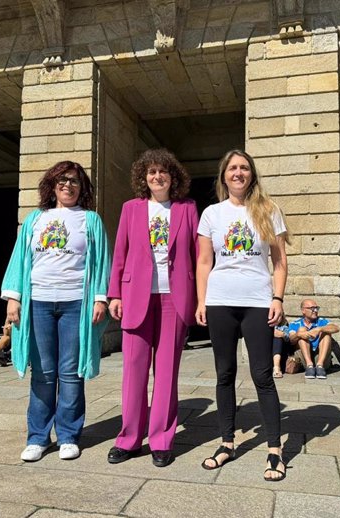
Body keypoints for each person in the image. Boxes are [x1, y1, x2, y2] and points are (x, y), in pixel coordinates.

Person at [1, 161, 111, 463]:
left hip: (76, 302)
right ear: (52, 185)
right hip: (39, 303)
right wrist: (14, 298)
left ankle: (68, 436)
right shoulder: (35, 219)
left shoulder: (90, 220)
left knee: (71, 372)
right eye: (62, 180)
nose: (68, 185)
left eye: (74, 181)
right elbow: (19, 260)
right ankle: (37, 437)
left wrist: (100, 298)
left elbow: (102, 261)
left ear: (82, 187)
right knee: (44, 372)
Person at [196, 149, 288, 482]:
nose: (238, 173)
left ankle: (275, 449)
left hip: (258, 300)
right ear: (224, 176)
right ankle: (227, 443)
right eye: (233, 168)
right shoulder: (211, 214)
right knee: (225, 373)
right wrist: (201, 301)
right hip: (221, 300)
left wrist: (277, 298)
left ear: (251, 174)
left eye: (244, 168)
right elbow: (204, 262)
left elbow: (279, 261)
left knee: (263, 375)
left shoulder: (268, 209)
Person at [106, 149, 198, 468]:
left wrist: (201, 297)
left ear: (173, 177)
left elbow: (198, 255)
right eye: (151, 172)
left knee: (167, 372)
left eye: (162, 171)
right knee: (133, 369)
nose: (156, 176)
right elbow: (120, 253)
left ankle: (161, 440)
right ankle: (129, 439)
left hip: (175, 296)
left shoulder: (187, 208)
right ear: (143, 178)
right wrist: (114, 293)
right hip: (136, 295)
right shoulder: (131, 208)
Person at [283, 299, 340, 379]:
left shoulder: (322, 321)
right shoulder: (295, 323)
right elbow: (291, 340)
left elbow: (336, 328)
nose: (315, 311)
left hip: (320, 357)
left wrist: (319, 329)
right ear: (303, 310)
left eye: (316, 308)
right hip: (303, 359)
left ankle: (320, 366)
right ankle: (309, 366)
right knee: (302, 331)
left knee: (326, 332)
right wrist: (299, 334)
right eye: (312, 308)